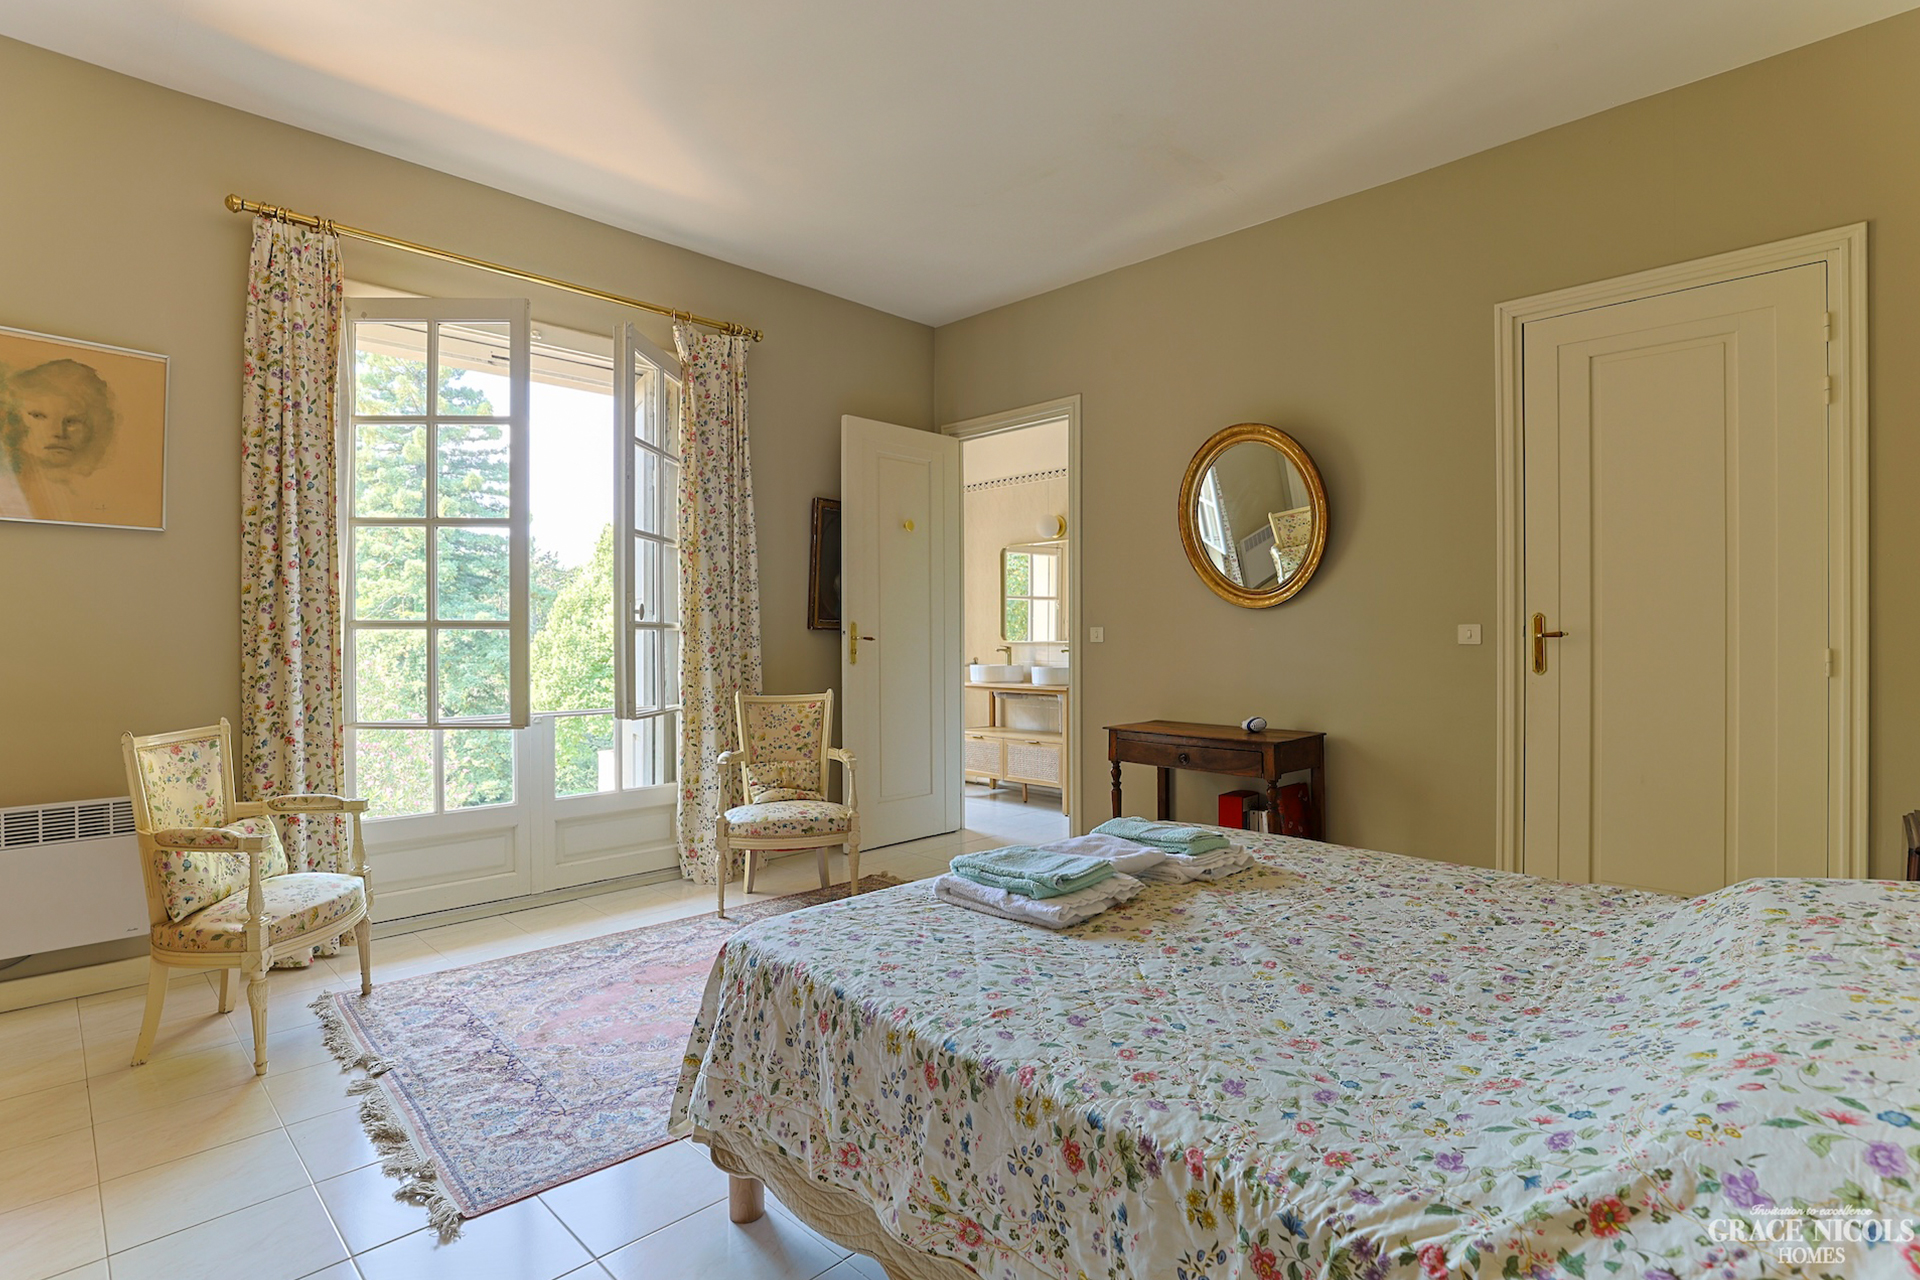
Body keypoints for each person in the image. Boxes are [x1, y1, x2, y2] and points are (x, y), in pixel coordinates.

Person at [0, 358, 117, 523]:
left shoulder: (100, 494)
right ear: (12, 418)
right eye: (38, 416)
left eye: (71, 421)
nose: (58, 432)